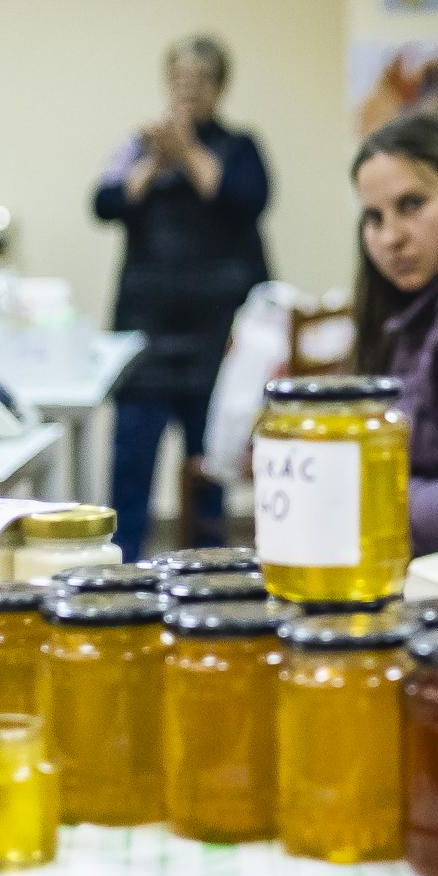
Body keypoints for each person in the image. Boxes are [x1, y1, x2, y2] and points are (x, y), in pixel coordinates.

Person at [93, 34, 271, 559]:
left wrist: (188, 151)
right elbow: (104, 203)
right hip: (145, 340)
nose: (188, 90)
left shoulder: (240, 146)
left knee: (208, 473)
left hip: (213, 339)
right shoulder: (139, 146)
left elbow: (246, 199)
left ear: (220, 88)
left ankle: (208, 571)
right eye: (179, 80)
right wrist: (154, 161)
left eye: (200, 80)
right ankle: (123, 567)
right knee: (130, 473)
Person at [350, 110, 438, 555]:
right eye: (374, 217)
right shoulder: (415, 308)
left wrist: (349, 487)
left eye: (411, 205)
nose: (390, 238)